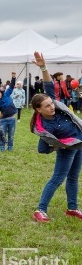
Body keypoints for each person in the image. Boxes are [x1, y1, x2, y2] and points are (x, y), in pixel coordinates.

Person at [30, 51, 82, 223]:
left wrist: (43, 67)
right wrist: (59, 146)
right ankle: (40, 210)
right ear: (39, 109)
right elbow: (42, 148)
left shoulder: (57, 106)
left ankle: (72, 208)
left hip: (79, 144)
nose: (52, 107)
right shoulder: (45, 127)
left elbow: (48, 84)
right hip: (68, 150)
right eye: (47, 106)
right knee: (57, 179)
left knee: (74, 177)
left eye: (51, 103)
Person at [0, 73, 17, 151]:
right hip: (3, 120)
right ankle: (1, 146)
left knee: (11, 135)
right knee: (2, 134)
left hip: (12, 119)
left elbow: (11, 86)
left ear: (0, 92)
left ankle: (10, 146)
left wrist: (13, 78)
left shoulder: (6, 94)